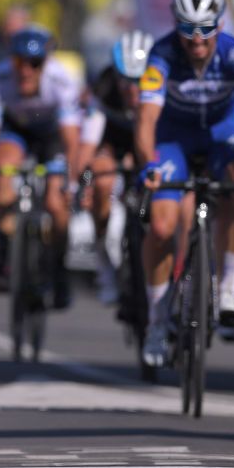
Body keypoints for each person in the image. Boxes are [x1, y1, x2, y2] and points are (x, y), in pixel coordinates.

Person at [137, 0, 234, 367]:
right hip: (174, 138)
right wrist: (148, 162)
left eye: (206, 29)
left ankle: (231, 288)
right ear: (176, 25)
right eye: (188, 28)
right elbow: (147, 117)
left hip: (223, 132)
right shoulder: (162, 53)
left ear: (219, 25)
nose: (197, 40)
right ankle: (155, 320)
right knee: (162, 227)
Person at [0, 26, 83, 309]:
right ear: (12, 60)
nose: (27, 71)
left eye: (35, 63)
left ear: (45, 63)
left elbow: (72, 141)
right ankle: (4, 248)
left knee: (57, 204)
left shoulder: (61, 81)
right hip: (16, 133)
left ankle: (58, 270)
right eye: (20, 61)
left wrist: (72, 182)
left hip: (52, 137)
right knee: (3, 172)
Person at [77, 29, 154, 305]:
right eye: (126, 81)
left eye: (140, 81)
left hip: (147, 142)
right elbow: (87, 144)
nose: (132, 90)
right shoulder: (105, 88)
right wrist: (83, 181)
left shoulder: (164, 84)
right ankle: (104, 264)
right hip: (112, 142)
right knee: (102, 180)